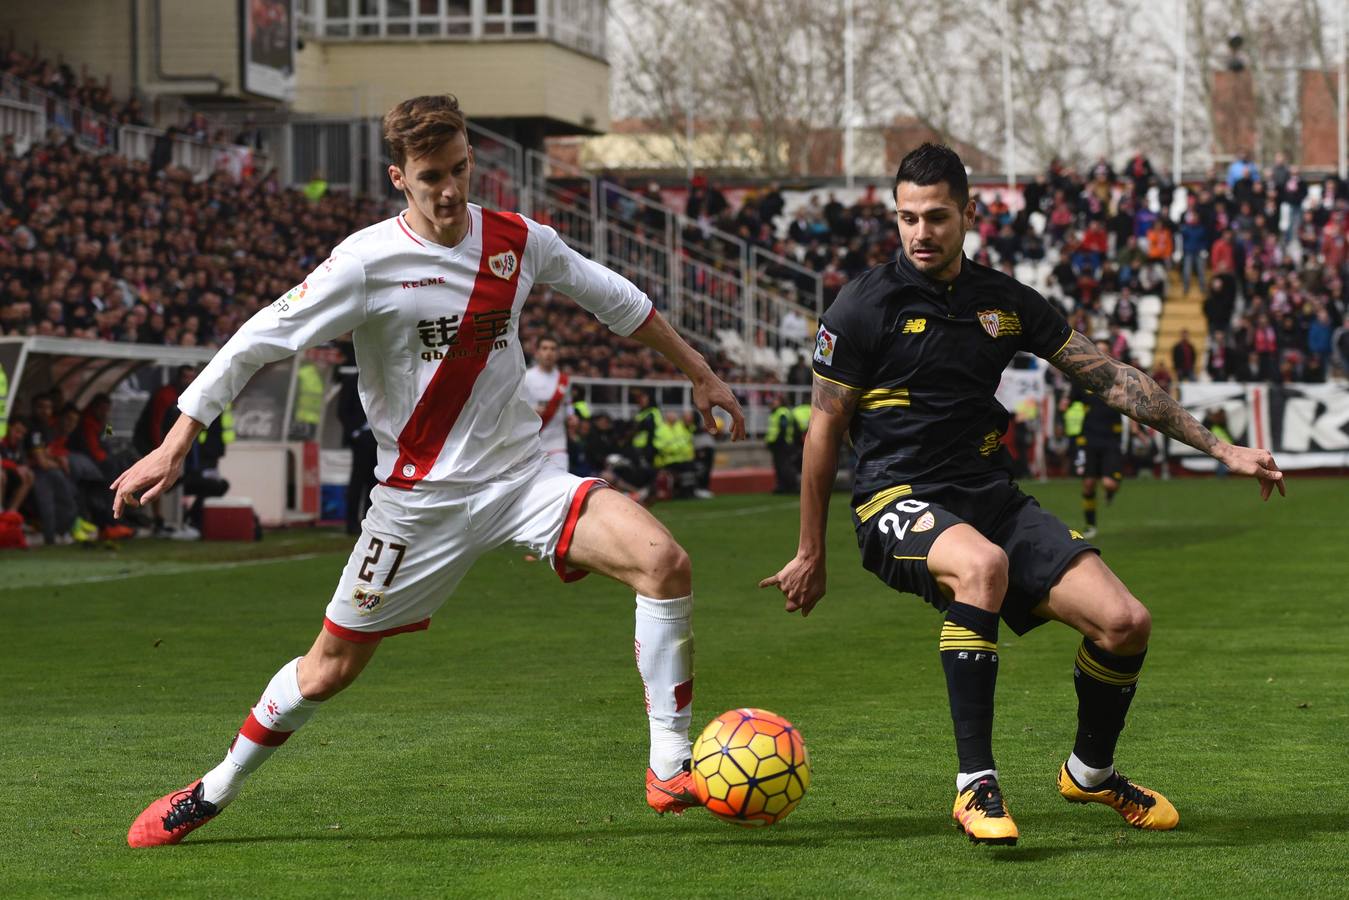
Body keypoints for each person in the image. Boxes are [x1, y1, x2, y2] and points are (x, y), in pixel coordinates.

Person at [112, 94, 747, 848]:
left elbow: (614, 299)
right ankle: (211, 791)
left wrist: (700, 372)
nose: (448, 191)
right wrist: (178, 438)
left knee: (663, 562)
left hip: (523, 480)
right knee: (327, 672)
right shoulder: (366, 263)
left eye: (458, 170)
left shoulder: (516, 239)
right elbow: (257, 341)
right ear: (398, 178)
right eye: (429, 177)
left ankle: (668, 765)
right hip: (418, 505)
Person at [760, 143, 1284, 847]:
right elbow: (823, 432)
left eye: (936, 217)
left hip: (988, 496)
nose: (920, 232)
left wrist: (1222, 449)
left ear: (970, 214)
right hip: (894, 498)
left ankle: (1089, 774)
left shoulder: (1003, 301)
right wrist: (809, 550)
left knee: (1125, 621)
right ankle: (973, 786)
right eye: (906, 217)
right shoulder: (861, 306)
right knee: (981, 568)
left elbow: (1109, 377)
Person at [1064, 343, 1126, 540]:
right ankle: (1090, 524)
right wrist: (1064, 404)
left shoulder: (1119, 377)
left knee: (1109, 484)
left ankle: (1111, 491)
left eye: (1105, 349)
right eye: (1098, 349)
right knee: (1088, 483)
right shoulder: (1082, 377)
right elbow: (1070, 400)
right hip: (1089, 437)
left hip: (1111, 438)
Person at [522, 335, 570, 470]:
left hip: (557, 443)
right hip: (531, 443)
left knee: (561, 483)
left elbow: (568, 405)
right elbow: (516, 407)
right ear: (537, 352)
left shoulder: (564, 380)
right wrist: (532, 410)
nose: (549, 352)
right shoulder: (526, 377)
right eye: (544, 348)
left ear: (558, 353)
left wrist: (572, 416)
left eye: (553, 349)